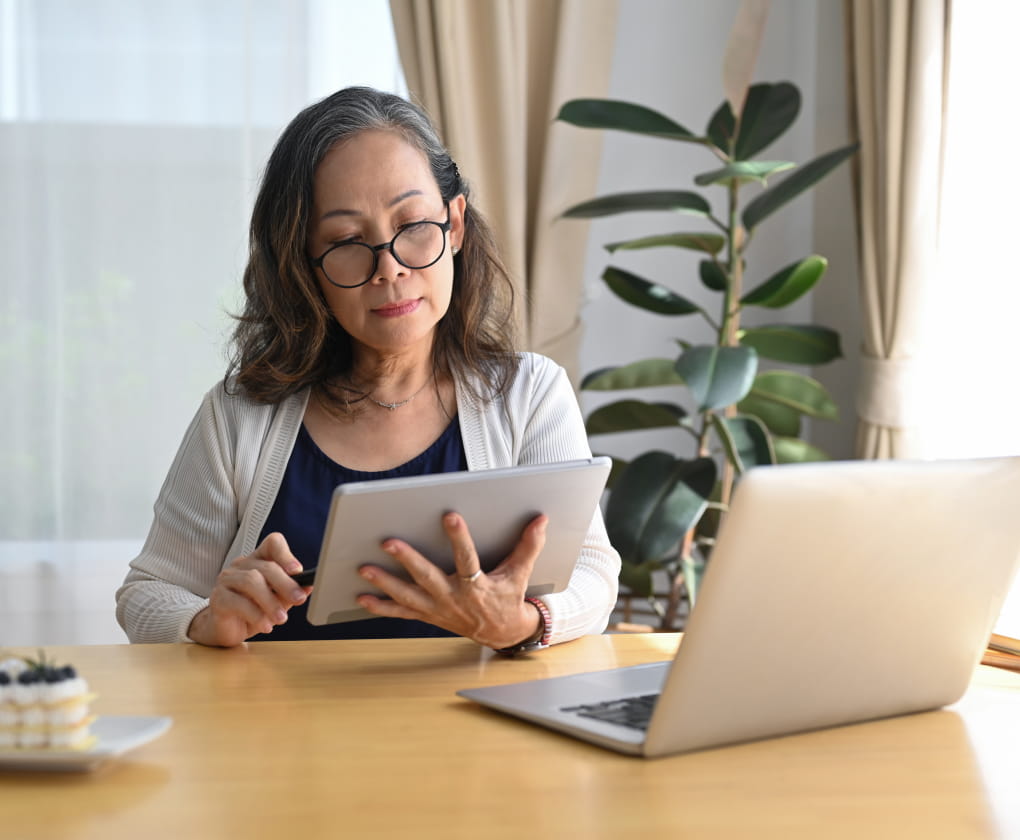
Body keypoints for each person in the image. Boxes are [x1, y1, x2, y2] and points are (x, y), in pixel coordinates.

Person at [116, 86, 620, 651]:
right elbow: (148, 593)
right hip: (281, 734)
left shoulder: (529, 394)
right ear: (304, 265)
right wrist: (208, 620)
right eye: (347, 241)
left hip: (478, 732)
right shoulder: (238, 415)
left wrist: (523, 623)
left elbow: (594, 576)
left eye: (413, 225)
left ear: (454, 224)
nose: (390, 268)